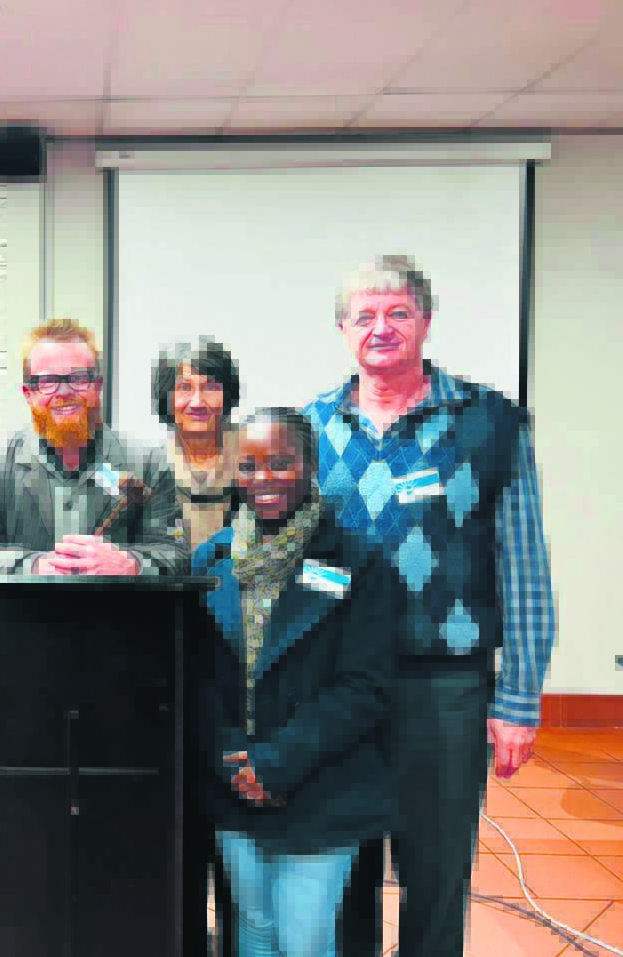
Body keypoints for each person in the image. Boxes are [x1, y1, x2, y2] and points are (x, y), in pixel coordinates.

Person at [304, 255, 557, 957]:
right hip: (337, 685)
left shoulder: (490, 423)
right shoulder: (310, 426)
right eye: (364, 316)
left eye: (398, 313)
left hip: (445, 686)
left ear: (426, 321)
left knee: (437, 870)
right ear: (342, 329)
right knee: (343, 867)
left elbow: (525, 566)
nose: (380, 328)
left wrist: (519, 698)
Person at [193, 408, 399, 957]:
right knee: (254, 928)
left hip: (321, 783)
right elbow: (198, 677)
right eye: (249, 465)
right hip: (235, 781)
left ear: (310, 466)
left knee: (302, 939)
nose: (264, 479)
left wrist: (277, 763)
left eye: (281, 463)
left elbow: (364, 687)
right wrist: (232, 759)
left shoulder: (358, 562)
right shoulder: (210, 560)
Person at [0, 318, 187, 576]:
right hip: (23, 603)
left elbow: (174, 553)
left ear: (97, 387)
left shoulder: (148, 462)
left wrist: (129, 564)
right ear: (28, 394)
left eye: (78, 378)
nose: (64, 392)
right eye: (48, 380)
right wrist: (35, 566)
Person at [153, 338, 242, 548]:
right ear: (166, 396)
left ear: (227, 394)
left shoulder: (254, 455)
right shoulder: (151, 467)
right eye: (184, 387)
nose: (197, 402)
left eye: (210, 387)